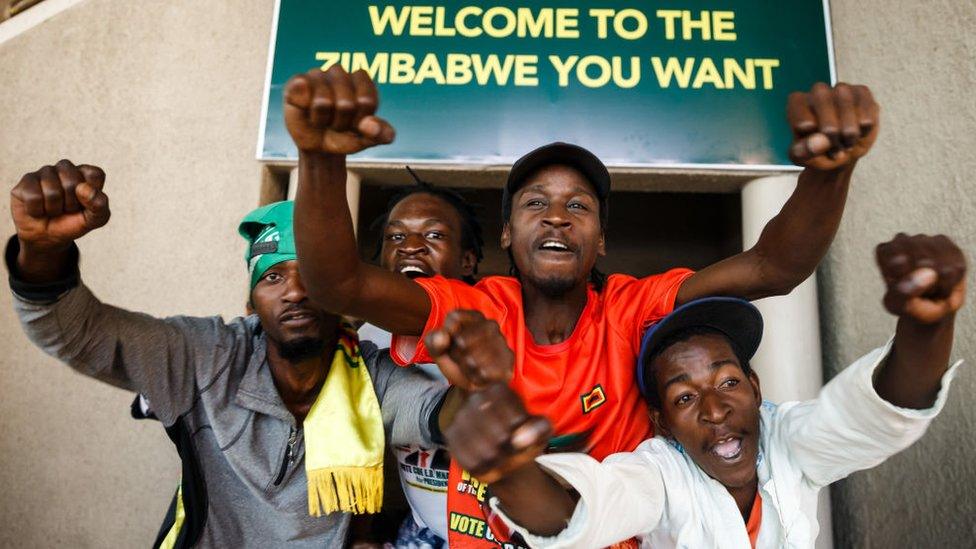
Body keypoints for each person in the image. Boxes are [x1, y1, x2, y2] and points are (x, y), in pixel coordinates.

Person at [284, 65, 880, 545]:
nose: (555, 217)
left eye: (578, 207)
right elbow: (341, 287)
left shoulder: (631, 306)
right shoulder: (475, 308)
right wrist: (319, 160)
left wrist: (830, 173)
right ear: (507, 237)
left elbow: (773, 267)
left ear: (600, 240)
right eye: (535, 203)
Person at [5, 162, 448, 548]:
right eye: (273, 276)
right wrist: (43, 251)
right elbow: (74, 333)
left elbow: (440, 415)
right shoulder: (205, 357)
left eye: (312, 274)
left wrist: (482, 369)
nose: (295, 291)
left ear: (342, 291)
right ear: (251, 302)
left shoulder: (372, 374)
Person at [439, 232, 967, 548]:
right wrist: (510, 472)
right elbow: (587, 506)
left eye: (728, 381)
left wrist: (927, 326)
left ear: (756, 388)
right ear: (662, 421)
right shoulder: (660, 470)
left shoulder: (786, 440)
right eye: (685, 397)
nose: (715, 409)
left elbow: (866, 416)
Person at [356, 173, 486, 548]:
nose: (410, 247)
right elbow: (358, 446)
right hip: (425, 534)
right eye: (396, 236)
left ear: (467, 260)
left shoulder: (501, 329)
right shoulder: (370, 339)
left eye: (433, 235)